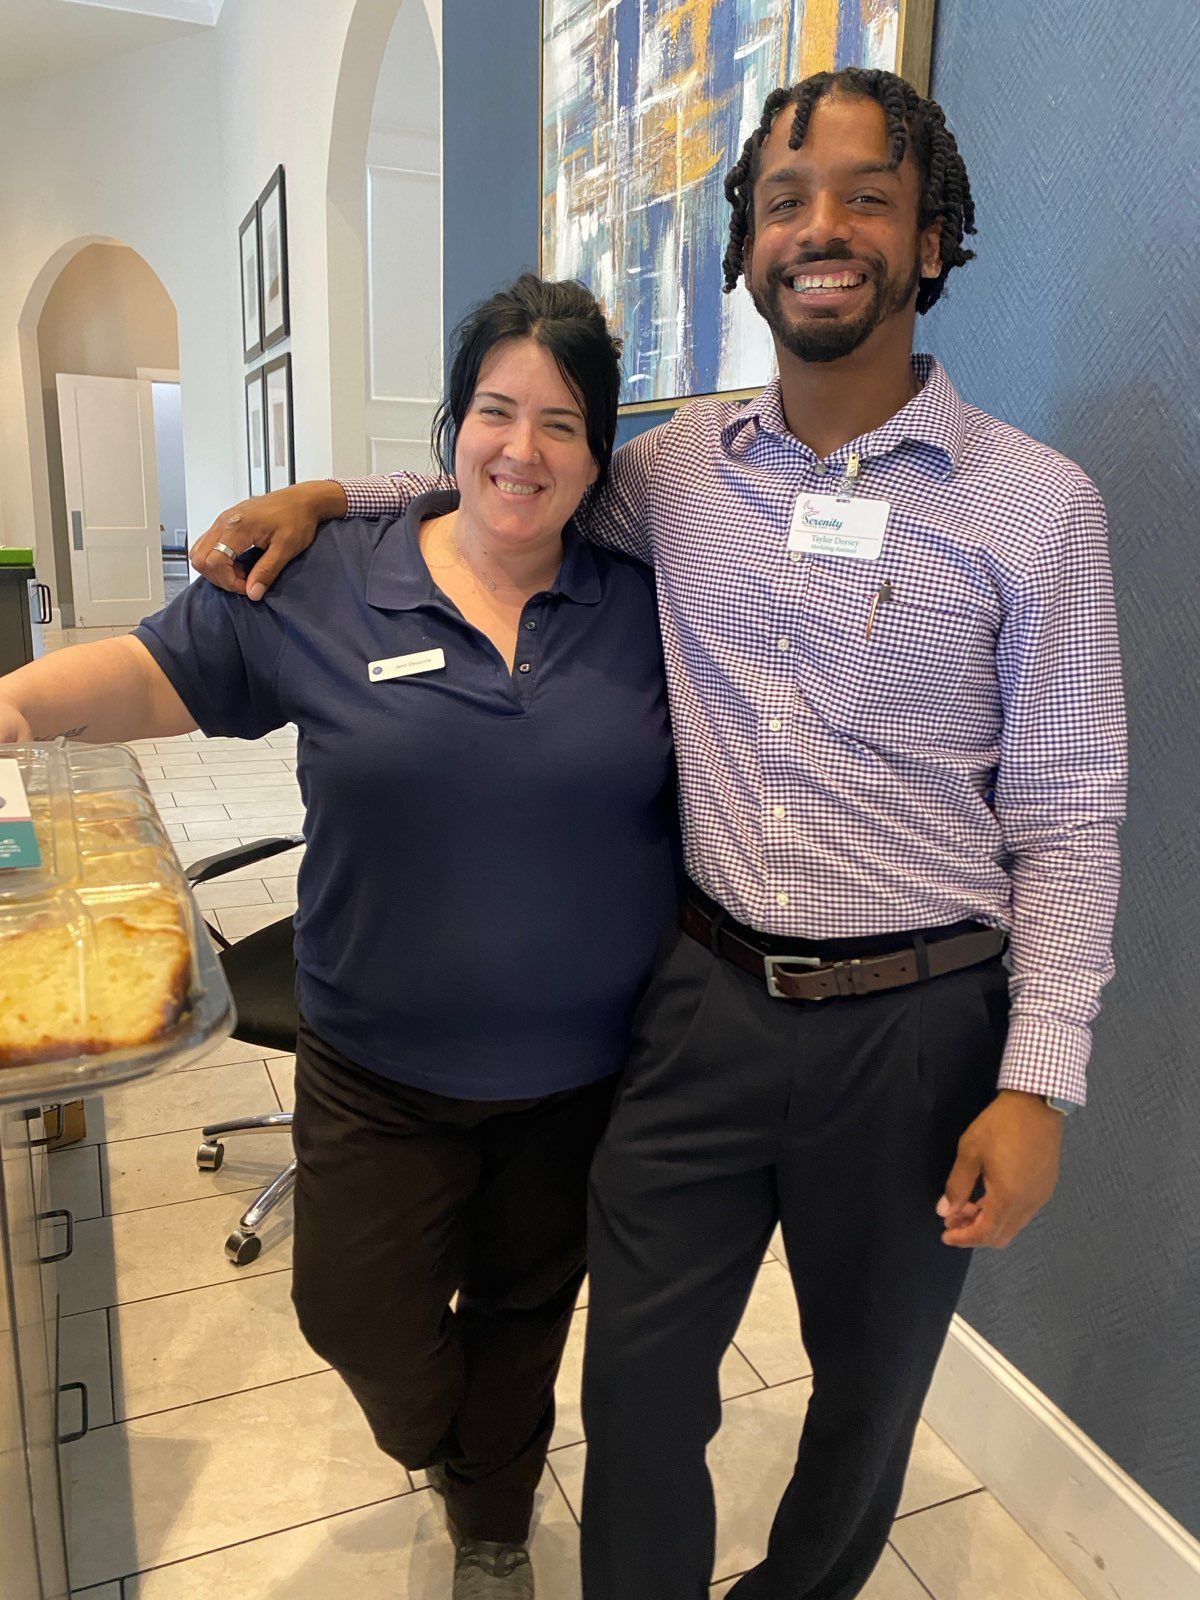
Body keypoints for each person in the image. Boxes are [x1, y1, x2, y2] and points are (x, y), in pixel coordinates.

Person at [190, 69, 1127, 1600]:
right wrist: (328, 495)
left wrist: (1041, 1080)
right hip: (695, 1003)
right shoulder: (684, 471)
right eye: (783, 202)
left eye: (865, 197)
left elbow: (1073, 813)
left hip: (921, 1023)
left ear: (934, 242)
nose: (820, 228)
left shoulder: (1040, 507)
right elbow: (501, 481)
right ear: (748, 253)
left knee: (865, 1397)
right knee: (635, 1391)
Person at [0, 275, 679, 1600]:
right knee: (353, 1314)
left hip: (583, 1077)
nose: (519, 449)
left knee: (527, 1312)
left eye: (558, 423)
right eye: (494, 410)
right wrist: (14, 703)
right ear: (450, 424)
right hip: (377, 1064)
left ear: (598, 456)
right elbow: (155, 672)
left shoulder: (649, 606)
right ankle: (459, 1452)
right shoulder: (332, 583)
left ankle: (492, 1526)